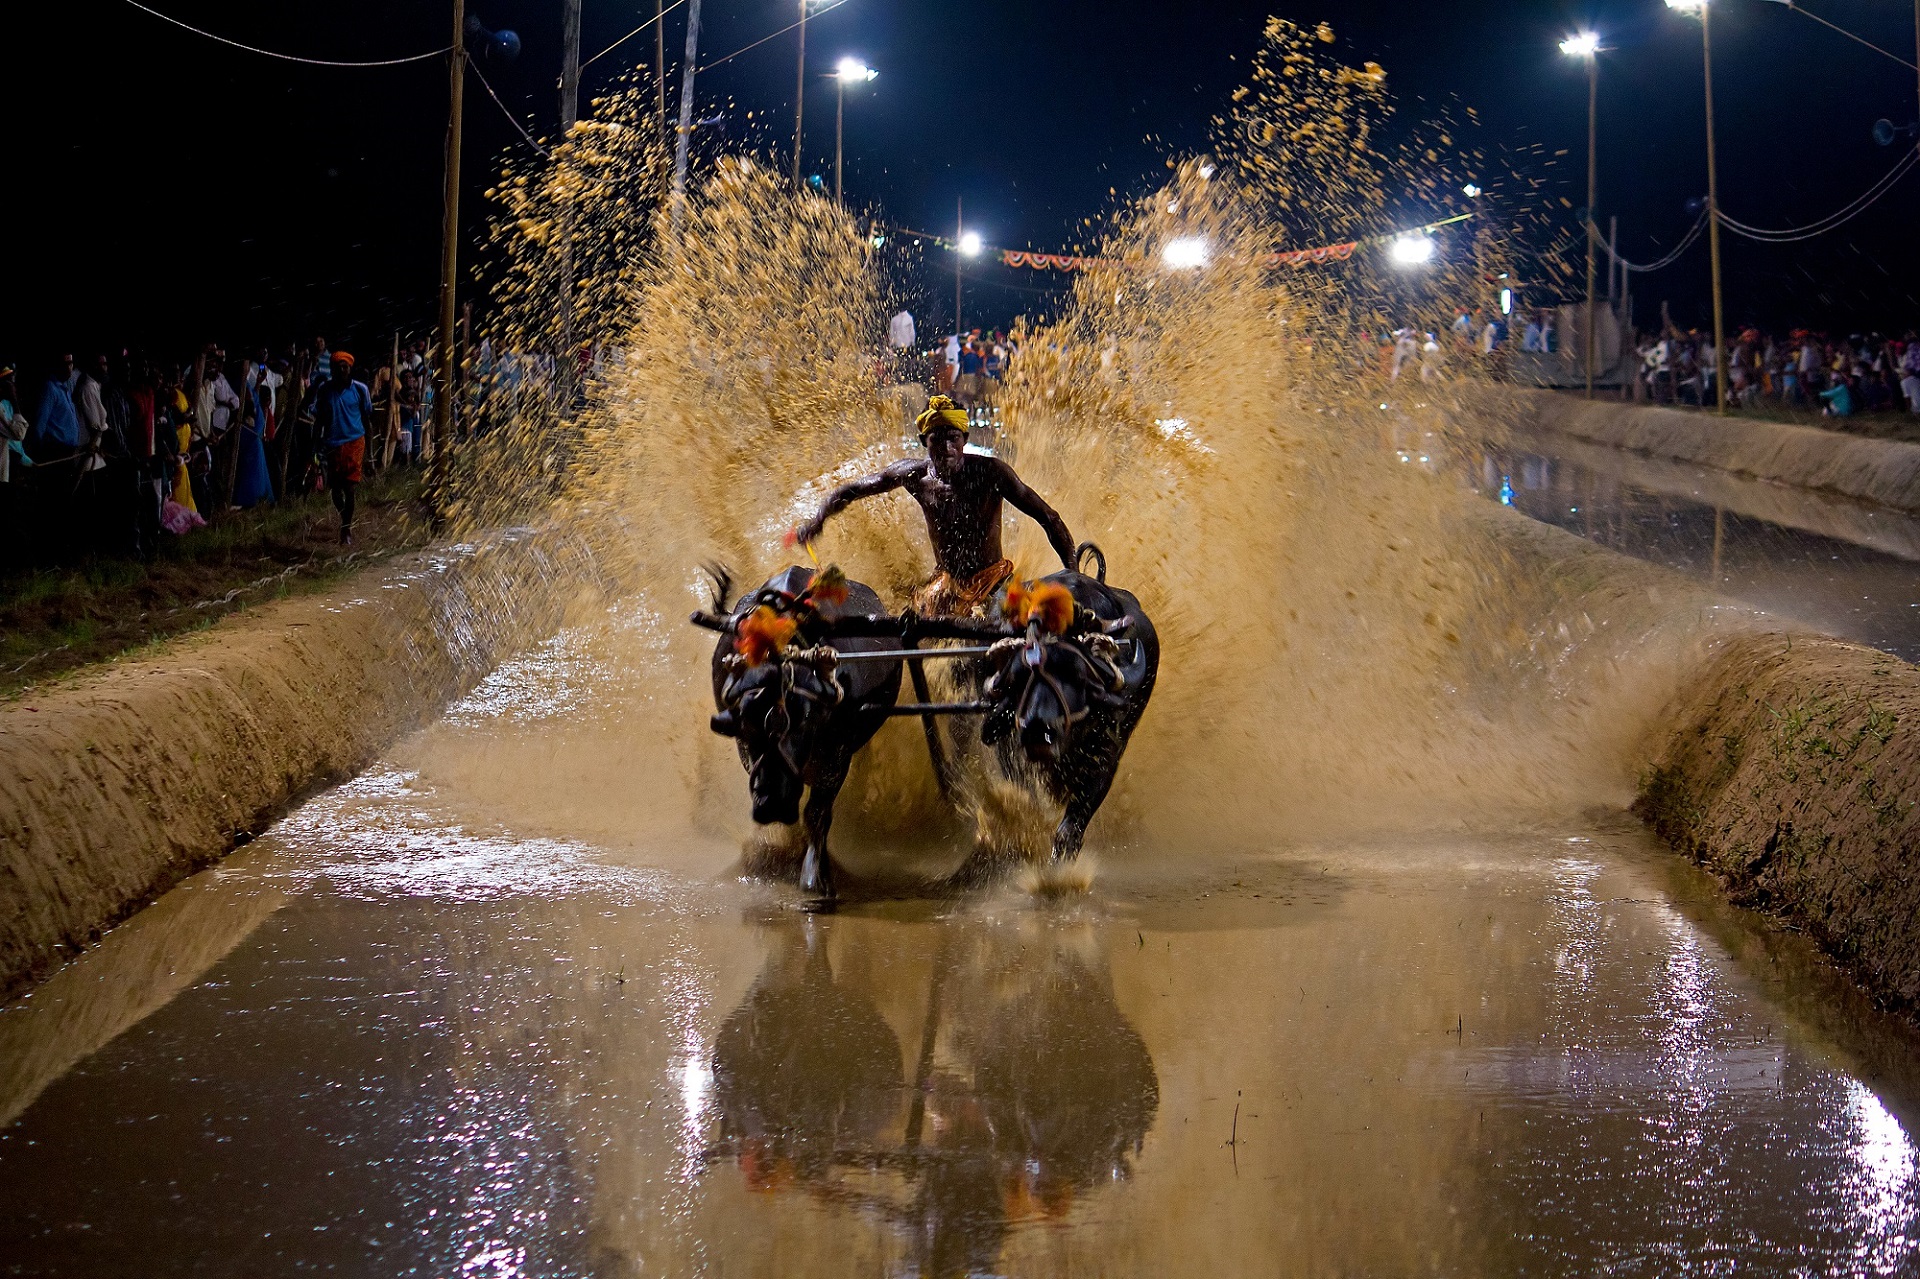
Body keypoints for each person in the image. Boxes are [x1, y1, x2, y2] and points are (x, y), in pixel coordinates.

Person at [794, 394, 1077, 618]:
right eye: (936, 439)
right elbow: (856, 488)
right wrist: (818, 520)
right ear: (924, 443)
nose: (945, 447)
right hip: (944, 586)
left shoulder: (992, 472)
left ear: (965, 440)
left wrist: (1073, 574)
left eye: (953, 438)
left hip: (993, 583)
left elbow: (1048, 517)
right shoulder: (915, 476)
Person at [307, 350, 373, 543]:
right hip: (332, 444)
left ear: (350, 368)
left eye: (345, 367)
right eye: (338, 367)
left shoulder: (360, 390)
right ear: (333, 369)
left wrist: (369, 455)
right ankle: (345, 519)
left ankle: (346, 529)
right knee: (335, 490)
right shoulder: (324, 390)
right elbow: (318, 421)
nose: (341, 370)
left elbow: (367, 421)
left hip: (355, 442)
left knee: (349, 488)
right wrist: (314, 449)